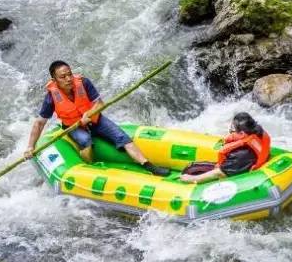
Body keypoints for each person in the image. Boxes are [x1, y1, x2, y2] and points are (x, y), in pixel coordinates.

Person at [23, 60, 170, 176]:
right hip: (73, 126)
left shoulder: (84, 83)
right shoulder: (51, 98)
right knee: (86, 140)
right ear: (54, 80)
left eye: (69, 74)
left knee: (122, 137)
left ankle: (149, 166)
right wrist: (30, 147)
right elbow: (39, 123)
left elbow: (99, 103)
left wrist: (90, 114)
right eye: (63, 77)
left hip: (95, 119)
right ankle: (88, 168)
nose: (68, 79)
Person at [180, 112, 271, 183]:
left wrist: (192, 179)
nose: (230, 131)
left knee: (189, 169)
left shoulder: (240, 156)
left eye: (233, 128)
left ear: (242, 133)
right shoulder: (258, 132)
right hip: (244, 165)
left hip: (235, 174)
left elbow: (219, 173)